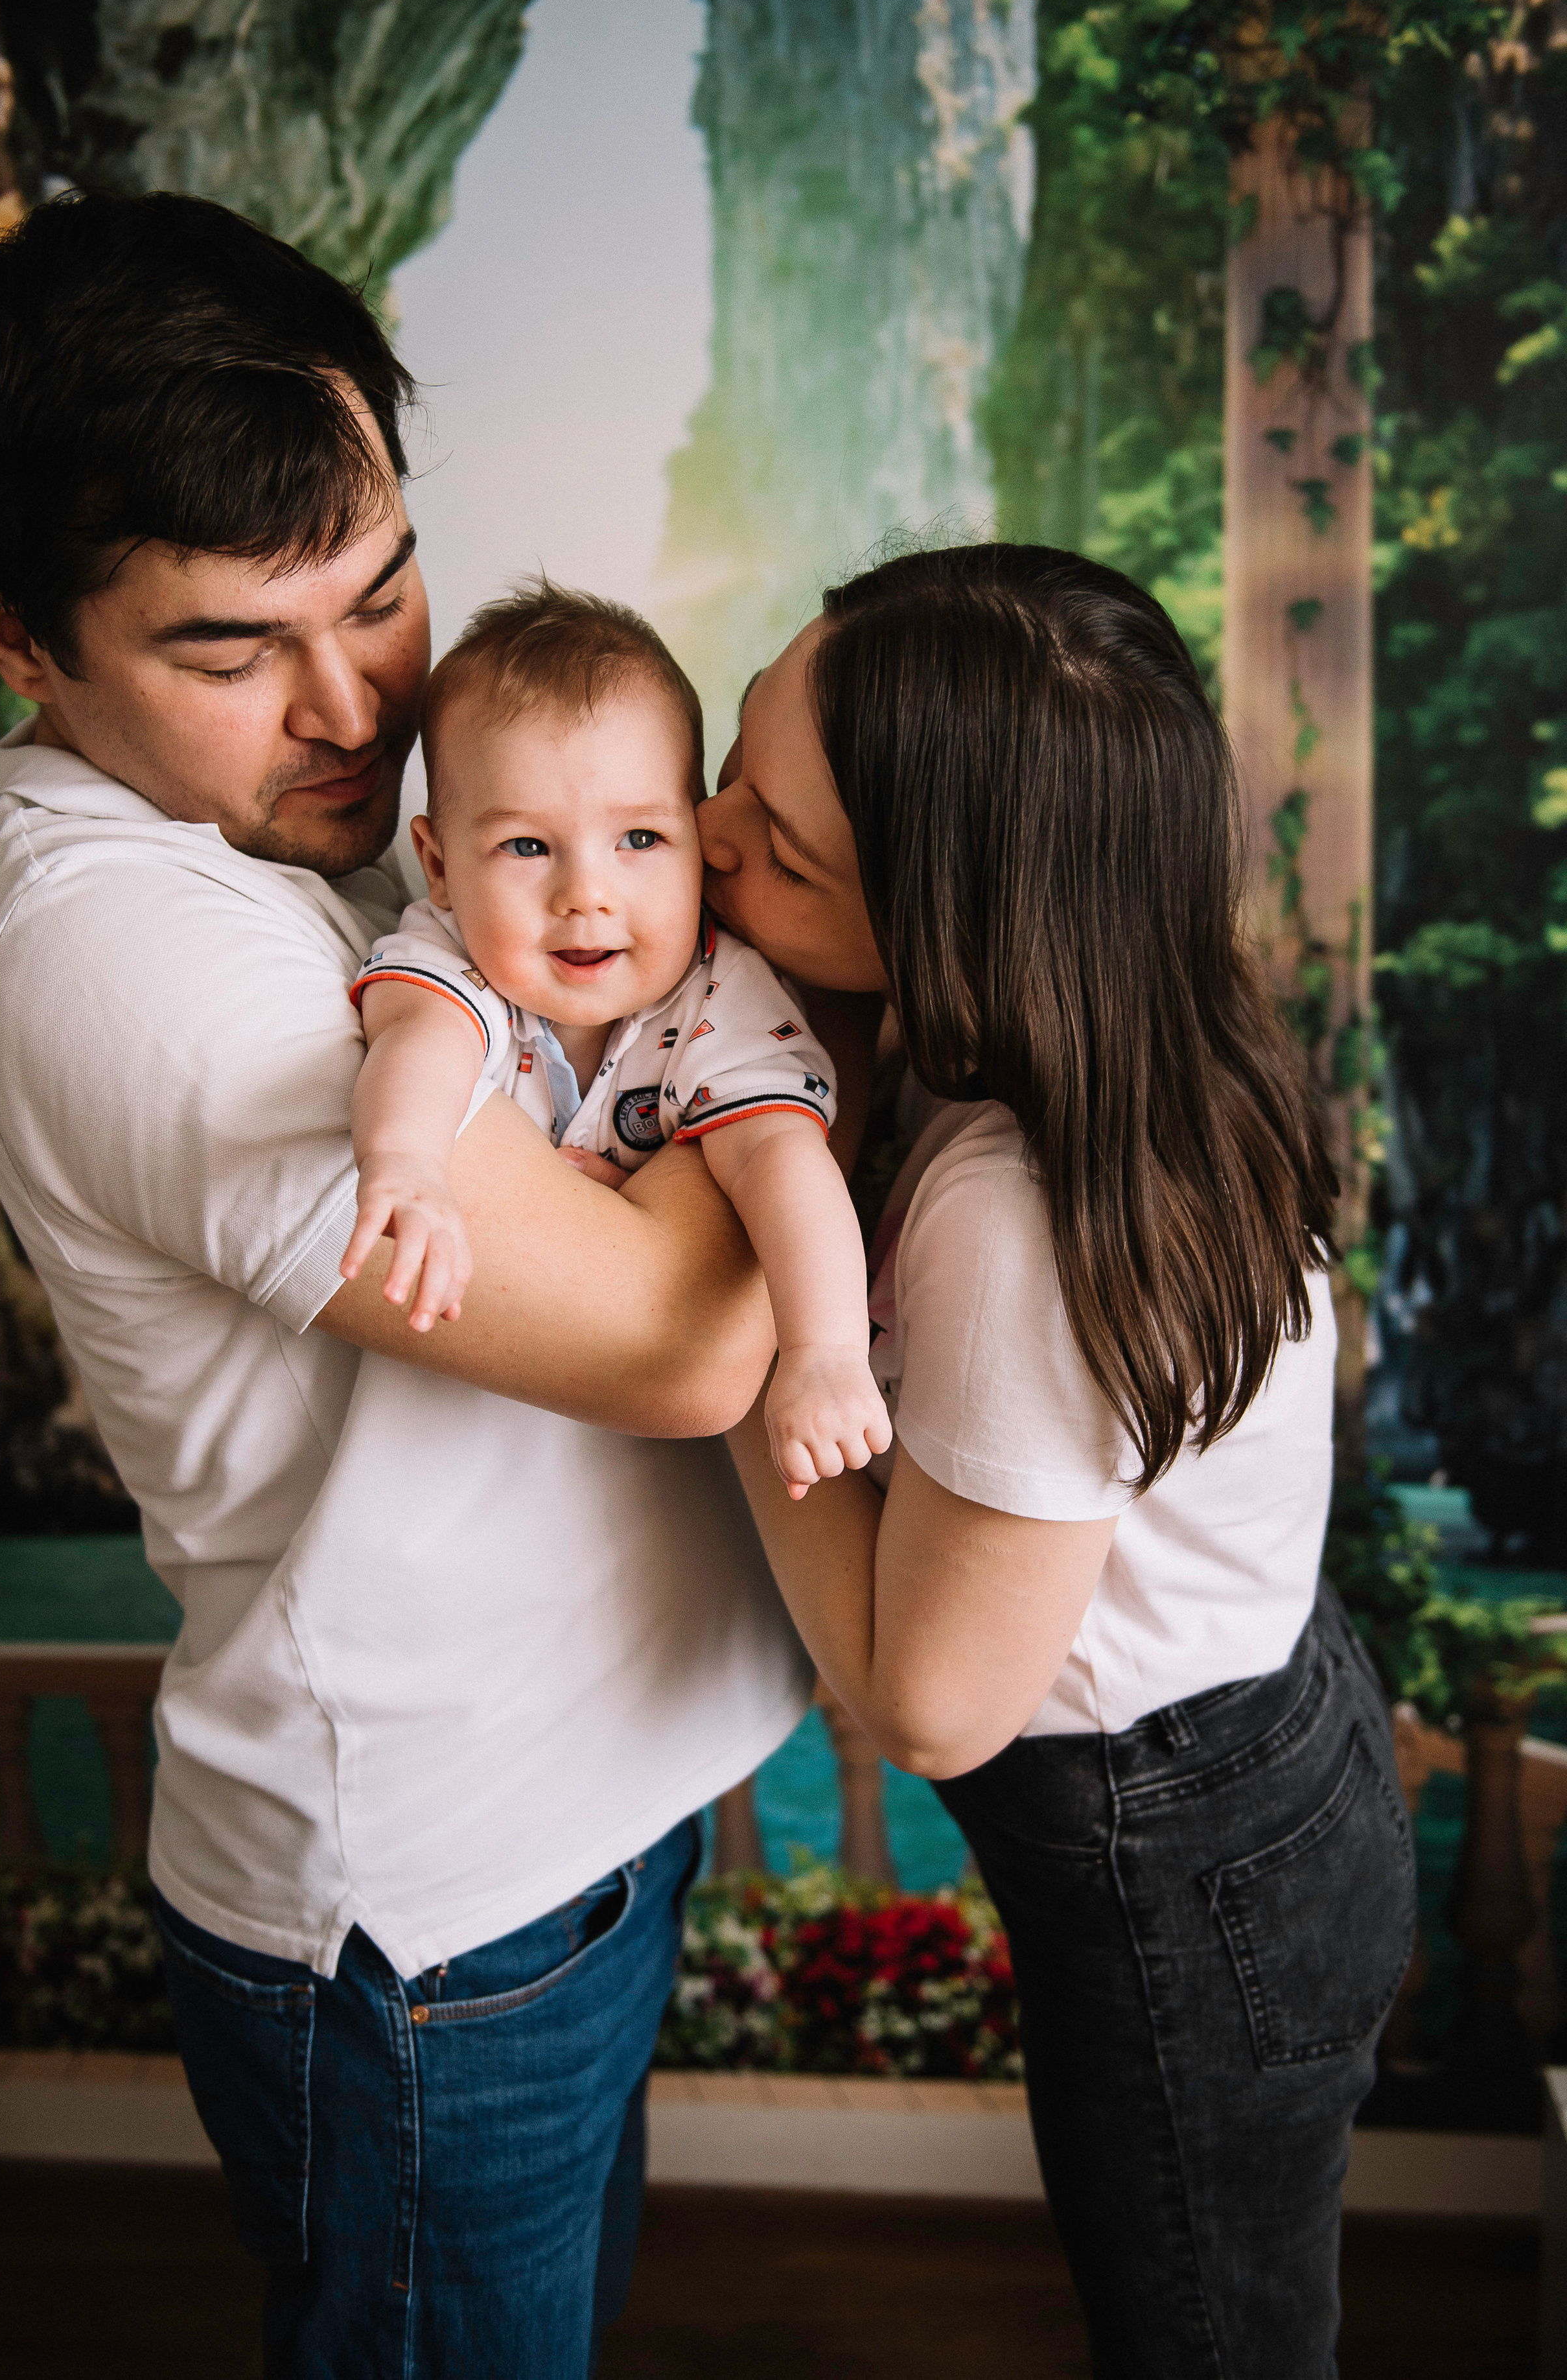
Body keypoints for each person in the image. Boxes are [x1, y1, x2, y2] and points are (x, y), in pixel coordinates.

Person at [0, 189, 816, 2378]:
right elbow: (686, 1336)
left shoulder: (372, 843)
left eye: (385, 592)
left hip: (576, 1835)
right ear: (20, 635)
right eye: (231, 652)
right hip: (430, 1915)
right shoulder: (123, 949)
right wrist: (811, 984)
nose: (352, 706)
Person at [698, 542, 1417, 2379]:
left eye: (778, 849)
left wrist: (752, 1374)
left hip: (1195, 1867)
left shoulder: (1020, 1224)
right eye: (736, 769)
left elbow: (934, 1705)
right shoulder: (1143, 1020)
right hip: (1285, 1751)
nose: (706, 845)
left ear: (956, 911)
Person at [342, 578, 890, 1498]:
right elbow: (418, 1043)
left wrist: (825, 1350)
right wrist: (408, 1165)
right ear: (438, 864)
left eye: (639, 839)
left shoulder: (719, 987)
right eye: (527, 848)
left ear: (695, 840)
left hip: (658, 1465)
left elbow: (783, 1160)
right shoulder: (455, 958)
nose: (586, 895)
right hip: (464, 1435)